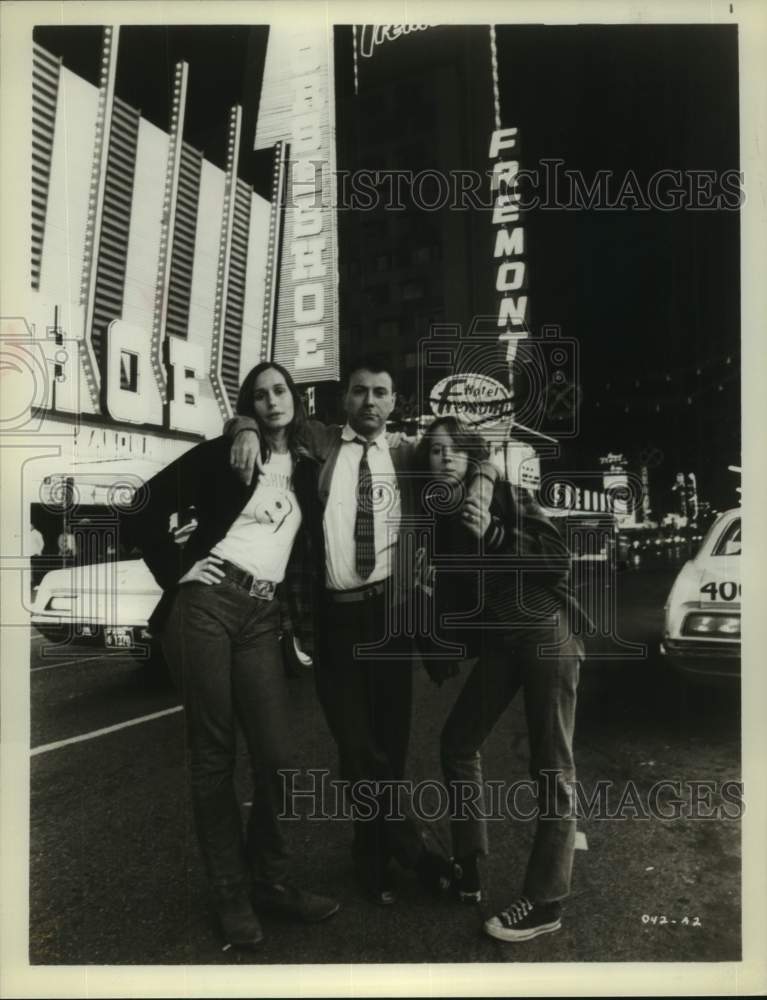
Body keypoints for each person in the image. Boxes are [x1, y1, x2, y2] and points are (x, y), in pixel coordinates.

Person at [226, 357, 498, 906]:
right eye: (358, 392)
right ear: (343, 400)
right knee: (357, 749)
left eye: (380, 393)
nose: (369, 402)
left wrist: (484, 483)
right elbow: (264, 413)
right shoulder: (321, 441)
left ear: (394, 402)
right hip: (337, 618)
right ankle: (413, 851)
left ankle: (370, 859)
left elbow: (477, 448)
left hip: (393, 618)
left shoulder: (407, 453)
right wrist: (246, 427)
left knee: (389, 749)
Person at [122, 362, 338, 951]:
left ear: (295, 399)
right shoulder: (227, 454)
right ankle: (230, 894)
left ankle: (270, 880)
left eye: (280, 392)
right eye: (259, 396)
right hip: (205, 608)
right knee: (214, 756)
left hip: (261, 616)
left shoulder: (307, 464)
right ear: (249, 405)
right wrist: (177, 571)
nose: (272, 402)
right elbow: (140, 505)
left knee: (278, 757)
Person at [413, 416, 586, 943]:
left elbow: (559, 556)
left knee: (552, 767)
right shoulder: (438, 518)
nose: (441, 459)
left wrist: (493, 528)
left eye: (451, 451)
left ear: (469, 458)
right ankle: (468, 861)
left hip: (543, 633)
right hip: (503, 645)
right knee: (458, 742)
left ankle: (546, 900)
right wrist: (436, 641)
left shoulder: (505, 495)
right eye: (433, 453)